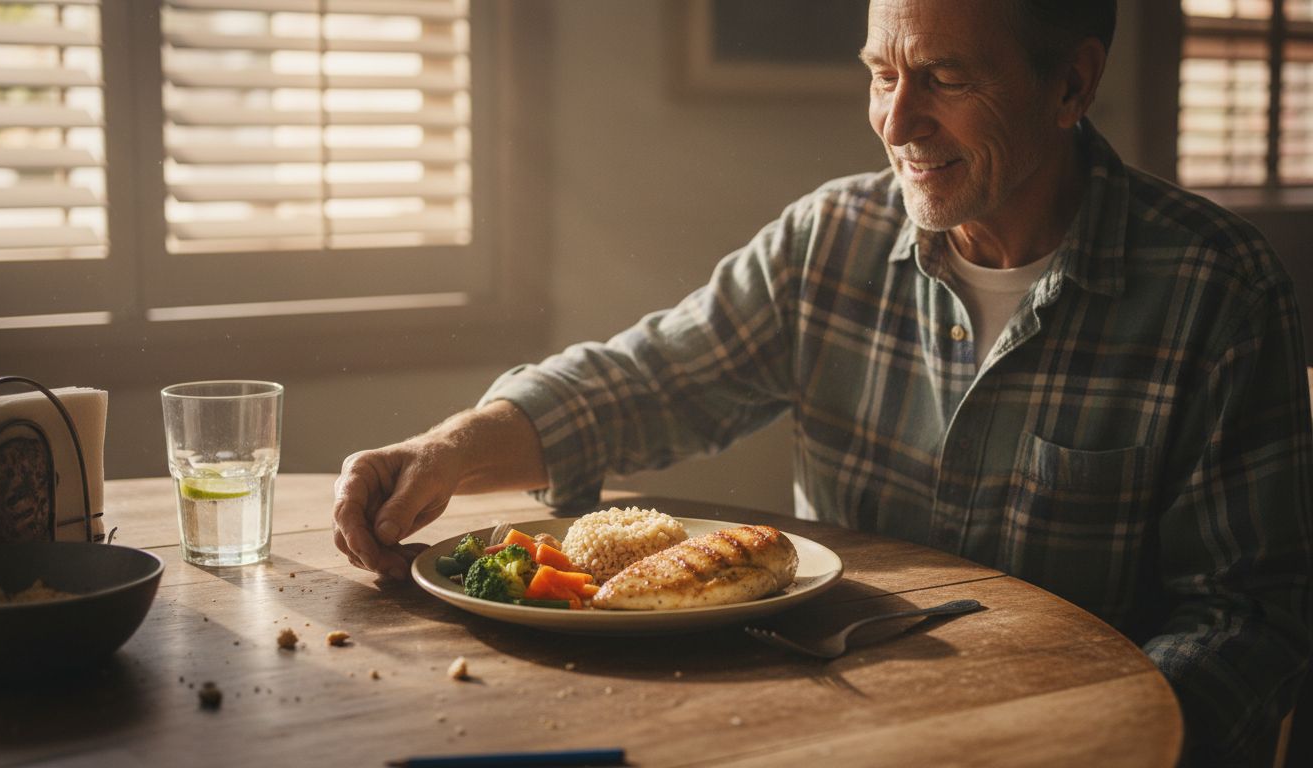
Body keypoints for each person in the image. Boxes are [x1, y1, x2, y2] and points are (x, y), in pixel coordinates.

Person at [333, 1, 1312, 763]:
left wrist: (1079, 740)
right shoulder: (828, 242)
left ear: (1072, 83)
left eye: (943, 75)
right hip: (834, 729)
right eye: (880, 73)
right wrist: (446, 451)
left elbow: (1251, 618)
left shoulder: (1214, 291)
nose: (896, 119)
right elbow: (645, 382)